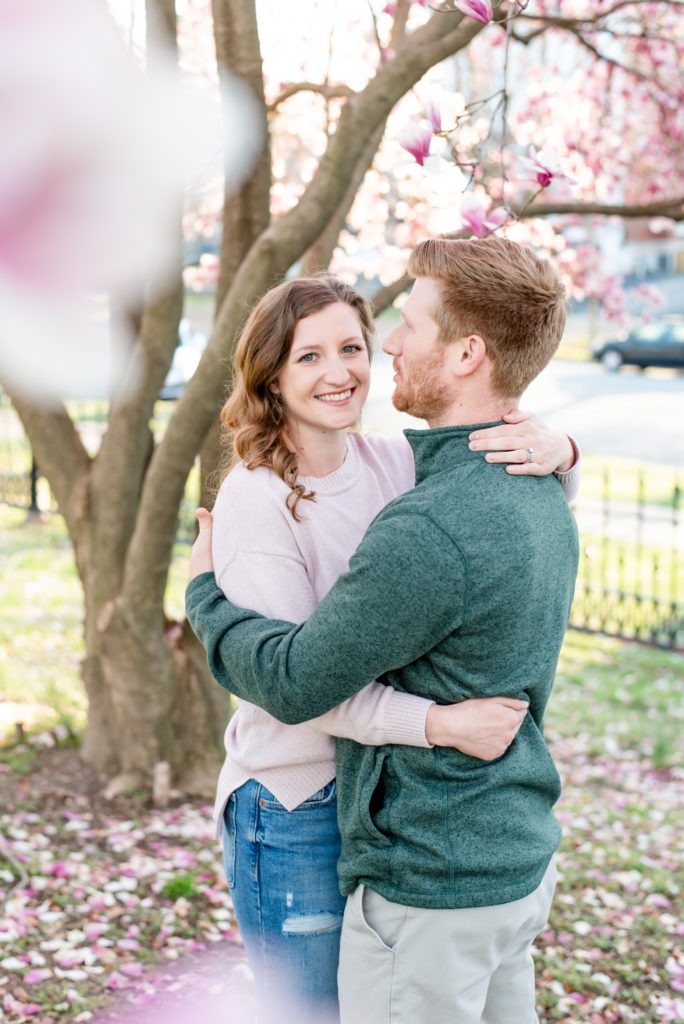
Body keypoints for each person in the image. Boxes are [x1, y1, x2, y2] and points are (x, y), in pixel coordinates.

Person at [191, 258, 580, 1024]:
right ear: (270, 376)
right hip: (297, 796)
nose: (340, 371)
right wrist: (432, 723)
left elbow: (489, 503)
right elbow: (294, 687)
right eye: (308, 355)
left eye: (353, 347)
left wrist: (562, 449)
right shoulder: (255, 499)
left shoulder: (396, 465)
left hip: (385, 797)